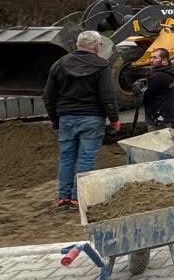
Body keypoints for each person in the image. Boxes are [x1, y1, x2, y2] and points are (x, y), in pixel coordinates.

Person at [43, 30, 120, 208]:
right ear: (95, 46)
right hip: (92, 118)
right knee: (86, 158)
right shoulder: (101, 65)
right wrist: (114, 118)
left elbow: (48, 95)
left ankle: (64, 196)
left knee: (67, 157)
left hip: (66, 118)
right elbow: (107, 95)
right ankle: (79, 197)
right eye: (99, 45)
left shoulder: (60, 63)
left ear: (78, 45)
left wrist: (55, 118)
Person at [142, 48, 174, 130]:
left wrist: (139, 90)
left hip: (158, 119)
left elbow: (146, 96)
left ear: (164, 60)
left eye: (155, 58)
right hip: (172, 116)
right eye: (151, 57)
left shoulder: (158, 76)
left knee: (157, 141)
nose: (151, 60)